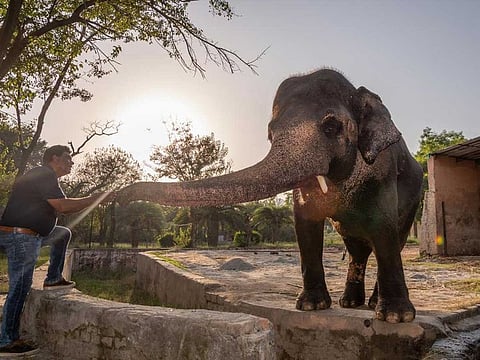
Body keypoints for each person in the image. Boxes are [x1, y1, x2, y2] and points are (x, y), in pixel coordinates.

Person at [0, 145, 115, 357]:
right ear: (54, 158)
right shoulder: (44, 173)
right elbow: (63, 206)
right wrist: (96, 199)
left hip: (32, 233)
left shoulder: (48, 178)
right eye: (67, 158)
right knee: (19, 287)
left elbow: (61, 205)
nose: (71, 162)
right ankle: (7, 339)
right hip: (22, 236)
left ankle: (53, 278)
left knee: (62, 233)